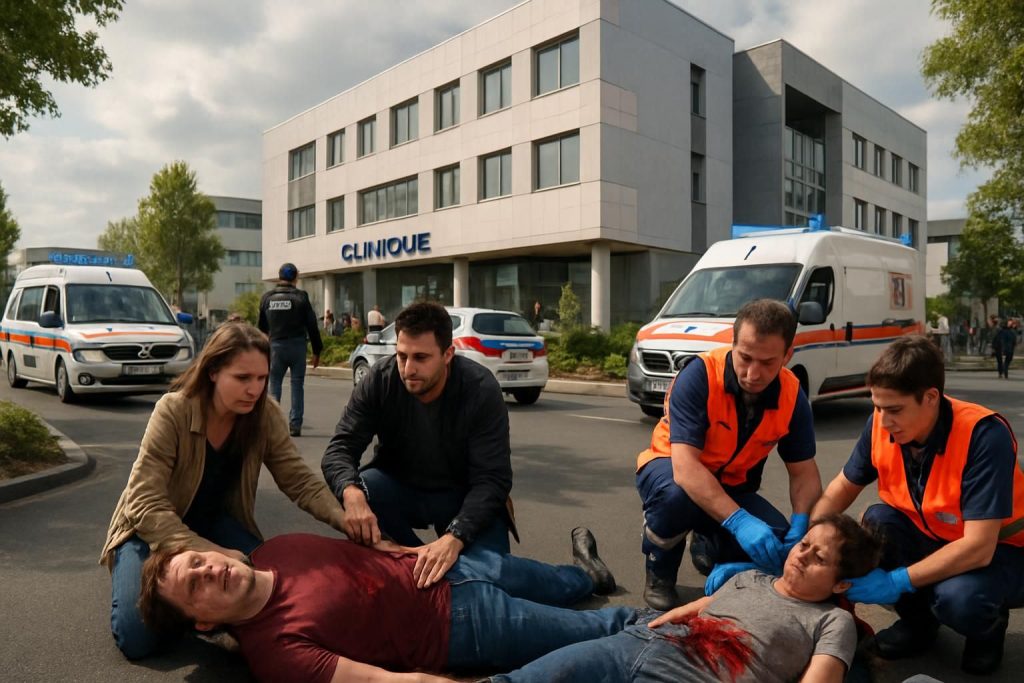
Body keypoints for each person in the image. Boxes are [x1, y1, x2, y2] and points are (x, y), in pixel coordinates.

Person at [99, 322, 347, 660]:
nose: (255, 390)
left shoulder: (264, 414)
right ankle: (197, 614)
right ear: (213, 371)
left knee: (273, 592)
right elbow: (144, 503)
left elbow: (298, 480)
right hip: (149, 531)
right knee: (137, 639)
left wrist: (347, 519)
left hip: (215, 523)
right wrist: (213, 552)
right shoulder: (173, 410)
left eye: (261, 378)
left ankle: (206, 614)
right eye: (243, 378)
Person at [137, 529, 630, 682]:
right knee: (605, 630)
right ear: (202, 621)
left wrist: (432, 546)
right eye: (195, 584)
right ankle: (699, 633)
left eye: (198, 560)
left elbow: (369, 555)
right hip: (462, 625)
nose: (210, 570)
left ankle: (588, 572)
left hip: (445, 568)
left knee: (565, 583)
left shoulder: (276, 549)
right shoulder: (278, 654)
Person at [812, 335, 1023, 675]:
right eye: (876, 407)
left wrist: (897, 581)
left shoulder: (983, 435)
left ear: (930, 398)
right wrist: (808, 535)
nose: (882, 421)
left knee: (959, 597)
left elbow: (979, 547)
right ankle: (920, 624)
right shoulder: (883, 426)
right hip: (939, 535)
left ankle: (987, 631)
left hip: (1003, 551)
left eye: (894, 409)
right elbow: (842, 486)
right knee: (879, 522)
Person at [488, 514, 881, 683]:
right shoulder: (750, 576)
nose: (802, 556)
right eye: (805, 545)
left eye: (819, 558)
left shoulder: (832, 620)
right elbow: (702, 606)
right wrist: (663, 620)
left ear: (841, 584)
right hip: (643, 641)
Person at [635, 299, 821, 609]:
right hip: (671, 470)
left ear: (787, 355)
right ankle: (660, 571)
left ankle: (710, 542)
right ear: (732, 343)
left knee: (776, 543)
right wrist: (739, 522)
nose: (752, 373)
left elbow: (804, 474)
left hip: (732, 485)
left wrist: (801, 523)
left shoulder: (792, 394)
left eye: (767, 362)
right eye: (745, 357)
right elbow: (685, 469)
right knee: (677, 499)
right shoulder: (700, 376)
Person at [322, 301, 514, 588]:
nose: (408, 369)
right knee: (363, 485)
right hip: (402, 487)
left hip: (465, 495)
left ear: (448, 354)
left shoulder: (480, 388)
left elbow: (493, 478)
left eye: (421, 357)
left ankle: (582, 575)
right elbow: (339, 449)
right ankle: (419, 563)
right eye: (402, 356)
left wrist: (454, 538)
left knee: (494, 579)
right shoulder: (380, 380)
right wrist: (352, 495)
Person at [258, 262, 323, 437]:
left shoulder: (267, 298)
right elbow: (312, 326)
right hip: (297, 346)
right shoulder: (301, 297)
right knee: (297, 385)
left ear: (279, 277)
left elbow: (261, 329)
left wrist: (262, 351)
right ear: (296, 277)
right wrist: (317, 350)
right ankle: (295, 425)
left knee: (275, 384)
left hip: (275, 347)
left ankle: (272, 424)